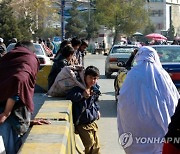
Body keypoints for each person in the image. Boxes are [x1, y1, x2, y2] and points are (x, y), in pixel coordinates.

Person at [117, 46, 180, 154]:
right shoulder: (162, 75)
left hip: (136, 125)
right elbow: (172, 98)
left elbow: (123, 99)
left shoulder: (132, 74)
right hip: (158, 123)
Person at [0, 41, 50, 154]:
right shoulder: (30, 59)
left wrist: (28, 121)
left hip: (9, 116)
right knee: (10, 148)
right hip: (6, 118)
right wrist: (6, 112)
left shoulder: (7, 58)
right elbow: (19, 81)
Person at [66, 66, 101, 154]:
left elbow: (95, 101)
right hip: (82, 123)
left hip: (91, 121)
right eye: (90, 78)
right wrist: (82, 95)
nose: (92, 81)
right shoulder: (78, 87)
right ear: (85, 77)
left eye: (95, 78)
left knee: (96, 146)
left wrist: (97, 110)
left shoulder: (94, 88)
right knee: (89, 144)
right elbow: (70, 96)